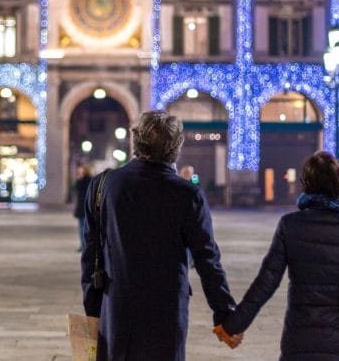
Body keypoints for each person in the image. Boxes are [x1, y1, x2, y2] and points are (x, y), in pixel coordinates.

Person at [81, 111, 236, 360]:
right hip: (167, 311)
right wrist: (224, 312)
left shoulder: (102, 186)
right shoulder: (187, 195)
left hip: (117, 307)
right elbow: (207, 259)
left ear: (135, 142)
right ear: (175, 147)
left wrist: (93, 310)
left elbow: (91, 255)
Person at [219, 151, 339, 360]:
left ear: (307, 184)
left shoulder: (290, 225)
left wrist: (233, 325)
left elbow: (266, 282)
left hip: (300, 344)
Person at [72, 165, 92, 252]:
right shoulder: (80, 180)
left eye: (81, 169)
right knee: (81, 228)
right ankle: (82, 245)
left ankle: (86, 245)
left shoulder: (88, 180)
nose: (79, 171)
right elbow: (75, 189)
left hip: (86, 206)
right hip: (80, 207)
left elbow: (85, 191)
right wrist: (79, 179)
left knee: (85, 228)